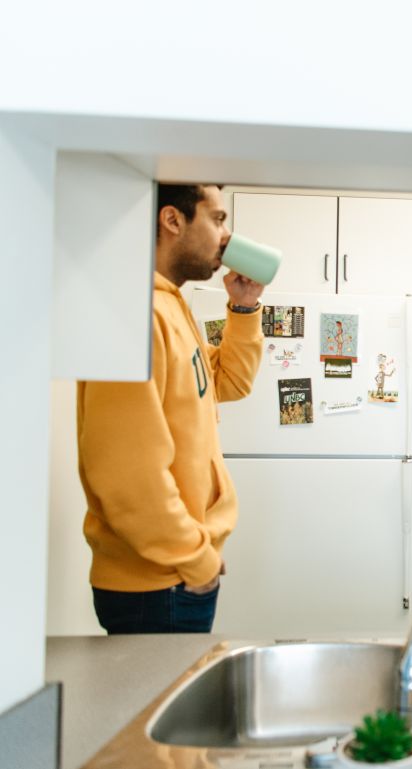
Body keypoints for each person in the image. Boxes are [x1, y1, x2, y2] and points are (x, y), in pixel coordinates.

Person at [77, 183, 265, 634]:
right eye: (217, 218)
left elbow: (228, 383)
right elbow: (126, 472)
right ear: (173, 220)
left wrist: (245, 307)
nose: (227, 235)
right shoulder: (135, 315)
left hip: (174, 575)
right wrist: (197, 560)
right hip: (158, 582)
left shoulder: (169, 305)